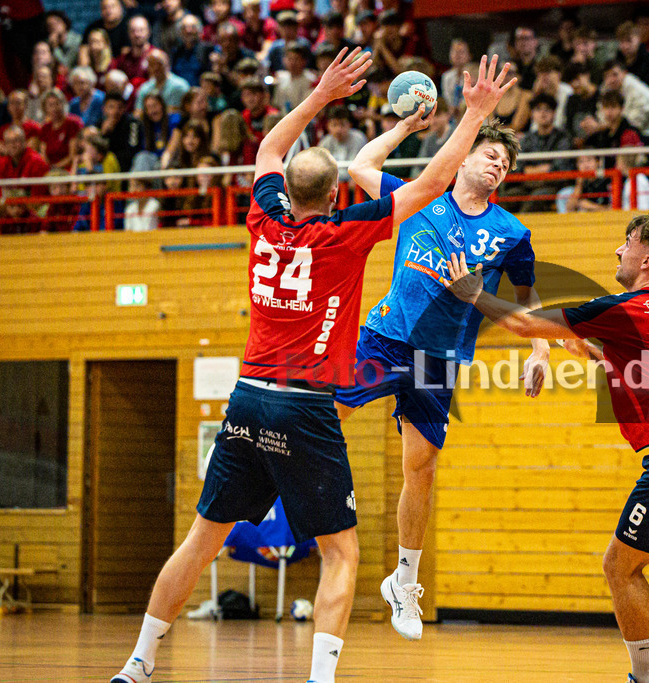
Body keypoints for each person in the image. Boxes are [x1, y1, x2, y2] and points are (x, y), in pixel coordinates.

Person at [108, 47, 517, 683]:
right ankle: (320, 678)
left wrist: (321, 94)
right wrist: (474, 115)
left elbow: (269, 152)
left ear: (288, 192)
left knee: (199, 540)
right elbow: (433, 184)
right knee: (342, 552)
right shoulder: (344, 234)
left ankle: (139, 662)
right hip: (303, 406)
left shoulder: (263, 216)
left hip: (245, 399)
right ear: (334, 197)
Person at [443, 214, 649, 683]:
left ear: (647, 258)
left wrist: (474, 293)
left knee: (619, 566)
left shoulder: (622, 306)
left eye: (627, 243)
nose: (618, 251)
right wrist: (596, 353)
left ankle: (647, 675)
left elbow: (526, 325)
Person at [341, 61, 547, 644]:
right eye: (489, 154)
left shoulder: (511, 233)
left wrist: (539, 352)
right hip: (385, 336)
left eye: (504, 163)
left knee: (421, 469)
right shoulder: (417, 198)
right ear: (462, 155)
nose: (497, 164)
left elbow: (528, 302)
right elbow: (360, 166)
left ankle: (404, 582)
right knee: (323, 414)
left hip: (439, 357)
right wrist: (406, 127)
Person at [318, 105, 366, 183]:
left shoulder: (358, 138)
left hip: (354, 184)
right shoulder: (324, 142)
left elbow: (361, 168)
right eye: (334, 125)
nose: (338, 129)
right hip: (332, 184)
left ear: (349, 125)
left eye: (342, 125)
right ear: (328, 126)